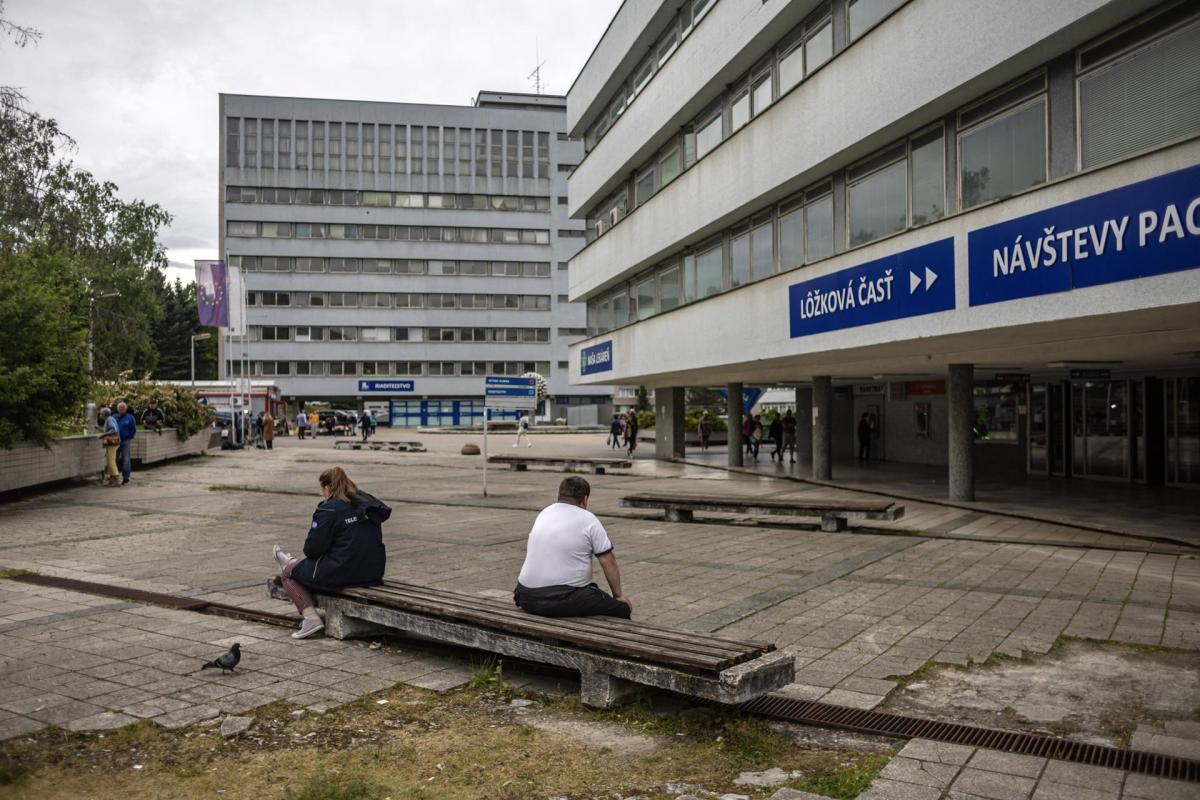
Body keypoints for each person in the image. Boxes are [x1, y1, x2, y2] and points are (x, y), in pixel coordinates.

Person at [272, 467, 392, 639]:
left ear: (328, 488)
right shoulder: (367, 505)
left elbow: (312, 550)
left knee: (287, 575)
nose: (322, 494)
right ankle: (292, 562)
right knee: (313, 561)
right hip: (372, 573)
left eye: (322, 490)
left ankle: (311, 618)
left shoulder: (328, 510)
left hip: (342, 573)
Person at [514, 476, 631, 619]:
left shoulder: (544, 513)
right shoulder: (588, 519)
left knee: (590, 592)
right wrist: (618, 595)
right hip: (560, 598)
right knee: (622, 609)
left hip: (525, 596)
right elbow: (608, 560)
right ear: (585, 499)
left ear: (560, 495)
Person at [115, 401, 137, 485]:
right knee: (114, 459)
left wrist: (129, 437)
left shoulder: (130, 418)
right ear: (117, 409)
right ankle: (115, 477)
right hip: (115, 442)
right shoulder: (114, 417)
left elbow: (133, 430)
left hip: (125, 441)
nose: (121, 409)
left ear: (126, 409)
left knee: (126, 460)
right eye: (120, 408)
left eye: (123, 408)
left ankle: (126, 478)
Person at [98, 407, 120, 487]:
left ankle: (116, 480)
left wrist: (104, 435)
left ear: (104, 414)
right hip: (111, 444)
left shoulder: (109, 419)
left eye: (100, 414)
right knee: (109, 461)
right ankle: (112, 480)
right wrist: (97, 428)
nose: (100, 415)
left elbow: (113, 430)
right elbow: (108, 430)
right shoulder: (109, 419)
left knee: (111, 462)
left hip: (112, 443)